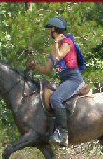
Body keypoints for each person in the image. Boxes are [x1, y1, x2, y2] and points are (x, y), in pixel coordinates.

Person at [29, 17, 85, 147]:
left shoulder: (67, 42)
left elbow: (59, 56)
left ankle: (63, 134)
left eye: (50, 29)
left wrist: (56, 43)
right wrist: (35, 66)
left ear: (54, 29)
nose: (49, 31)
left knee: (55, 99)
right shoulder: (56, 46)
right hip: (65, 79)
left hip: (73, 79)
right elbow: (47, 69)